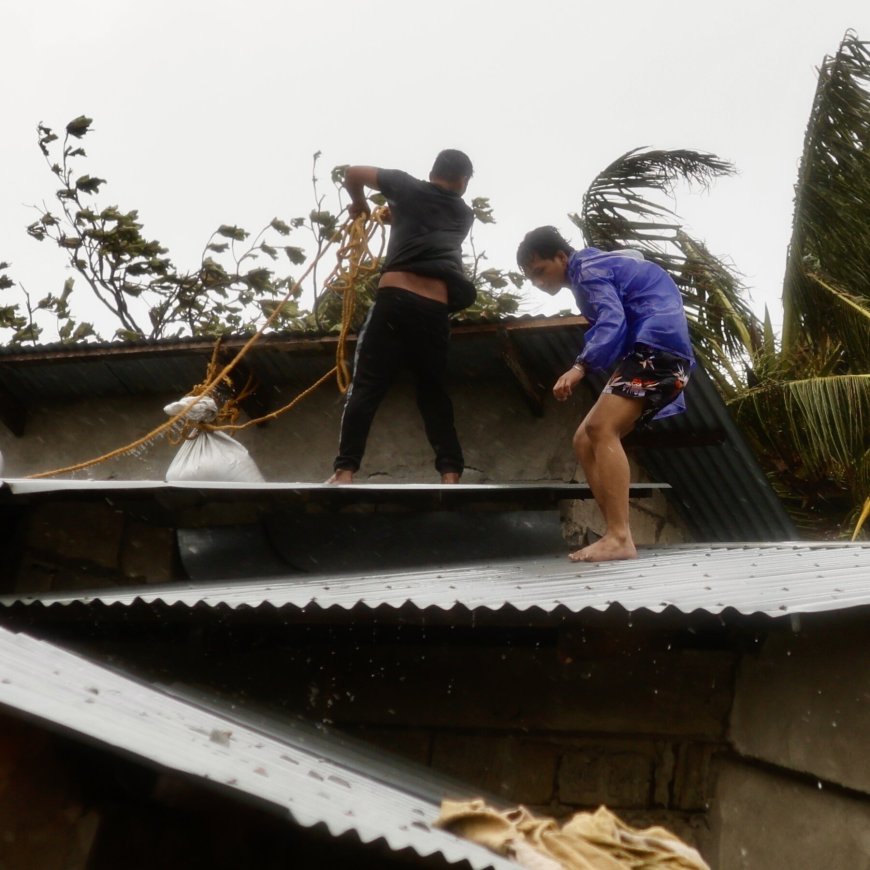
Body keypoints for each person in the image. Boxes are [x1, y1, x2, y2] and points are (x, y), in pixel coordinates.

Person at [516, 226, 695, 562]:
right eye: (531, 278)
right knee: (584, 439)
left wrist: (580, 366)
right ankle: (616, 533)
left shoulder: (587, 269)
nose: (539, 282)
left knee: (600, 429)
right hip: (653, 351)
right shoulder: (599, 266)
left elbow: (612, 321)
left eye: (541, 271)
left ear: (561, 256)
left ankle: (619, 537)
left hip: (657, 349)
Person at [327, 150, 476, 485]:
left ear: (432, 169)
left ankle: (345, 471)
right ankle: (450, 474)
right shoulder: (464, 215)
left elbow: (352, 173)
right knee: (433, 393)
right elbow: (427, 228)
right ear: (463, 181)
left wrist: (360, 204)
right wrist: (396, 215)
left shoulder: (406, 187)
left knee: (365, 387)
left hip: (395, 301)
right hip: (434, 312)